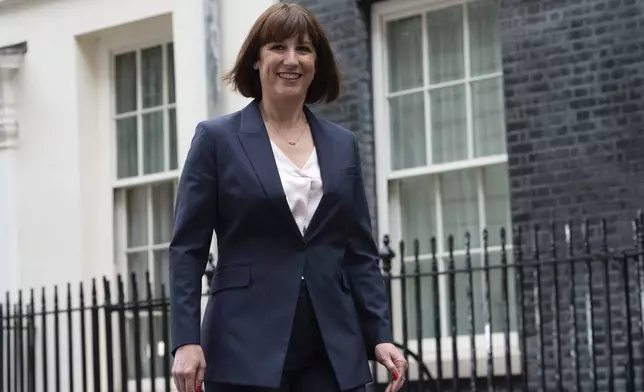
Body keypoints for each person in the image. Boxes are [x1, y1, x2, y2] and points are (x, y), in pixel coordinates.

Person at [169, 3, 407, 392]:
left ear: (317, 62)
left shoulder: (343, 145)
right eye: (278, 47)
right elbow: (187, 249)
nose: (291, 60)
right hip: (243, 347)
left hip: (332, 349)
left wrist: (379, 333)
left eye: (304, 49)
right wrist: (185, 340)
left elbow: (359, 252)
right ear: (256, 60)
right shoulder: (216, 140)